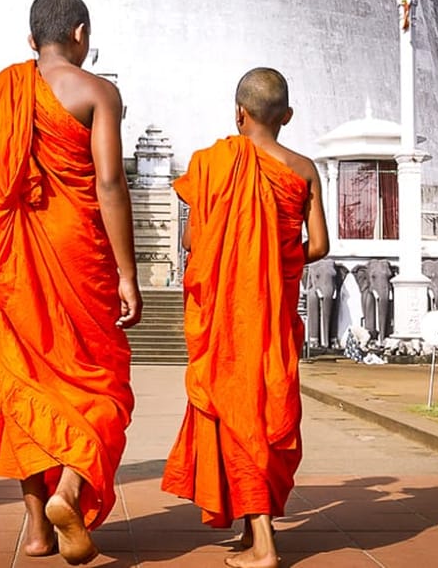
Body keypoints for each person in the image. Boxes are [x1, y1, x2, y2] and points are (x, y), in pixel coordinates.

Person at [0, 0, 141, 566]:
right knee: (100, 384)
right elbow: (110, 184)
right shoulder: (97, 92)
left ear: (32, 40)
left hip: (12, 257)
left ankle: (36, 531)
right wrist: (128, 274)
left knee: (21, 385)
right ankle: (71, 490)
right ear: (80, 34)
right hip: (78, 253)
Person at [161, 67, 329, 568]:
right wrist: (272, 260)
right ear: (287, 117)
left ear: (239, 113)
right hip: (272, 315)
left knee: (238, 415)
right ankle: (251, 531)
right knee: (265, 412)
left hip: (228, 317)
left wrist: (237, 248)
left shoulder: (211, 165)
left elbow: (193, 241)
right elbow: (318, 245)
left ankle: (264, 546)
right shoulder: (303, 169)